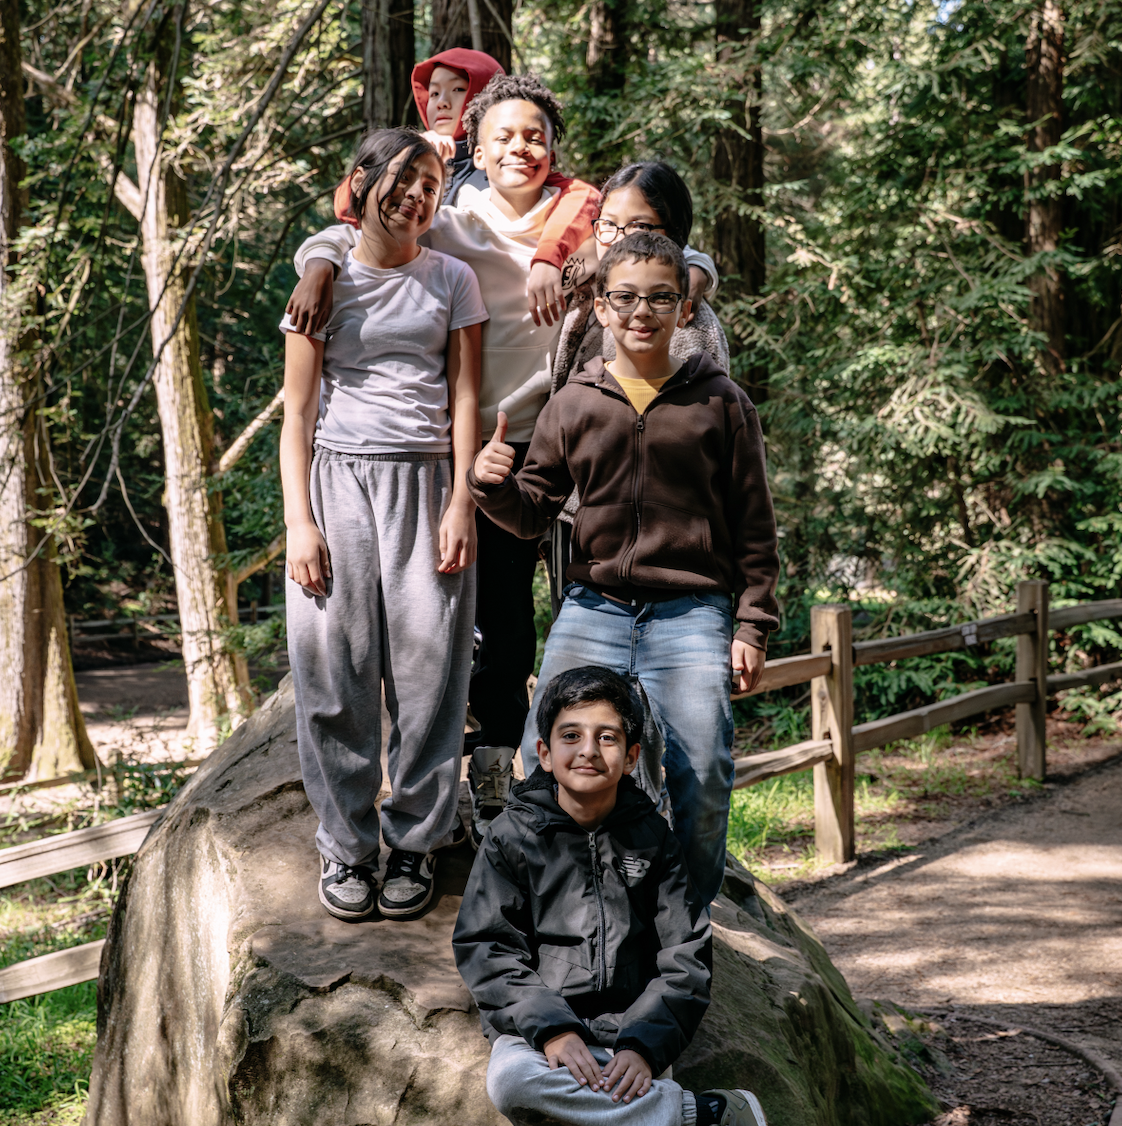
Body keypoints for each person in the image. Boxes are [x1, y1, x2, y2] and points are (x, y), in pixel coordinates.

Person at [287, 73, 604, 851]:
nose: (519, 148)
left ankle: (585, 783)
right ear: (478, 146)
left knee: (576, 613)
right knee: (487, 615)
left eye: (534, 136)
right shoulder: (454, 216)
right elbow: (362, 229)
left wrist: (582, 257)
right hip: (477, 446)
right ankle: (483, 780)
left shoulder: (586, 219)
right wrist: (320, 261)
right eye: (501, 136)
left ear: (553, 148)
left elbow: (671, 247)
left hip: (561, 438)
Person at [467, 232, 780, 906]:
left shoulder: (721, 403)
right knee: (542, 755)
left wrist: (751, 627)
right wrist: (492, 486)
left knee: (704, 767)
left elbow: (756, 526)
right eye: (626, 298)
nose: (643, 311)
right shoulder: (573, 404)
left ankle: (687, 927)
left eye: (660, 298)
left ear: (683, 309)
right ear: (601, 311)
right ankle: (558, 911)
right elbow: (531, 514)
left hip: (693, 613)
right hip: (594, 607)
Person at [280, 127, 487, 922]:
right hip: (337, 482)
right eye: (402, 180)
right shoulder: (321, 284)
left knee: (433, 677)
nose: (415, 195)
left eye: (432, 184)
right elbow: (297, 414)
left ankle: (414, 841)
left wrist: (462, 499)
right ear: (361, 183)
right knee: (336, 671)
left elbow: (465, 396)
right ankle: (347, 847)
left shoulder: (453, 279)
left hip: (429, 481)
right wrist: (301, 521)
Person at [453, 665, 769, 1126]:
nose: (588, 751)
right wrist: (554, 1030)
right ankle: (695, 1113)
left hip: (630, 1038)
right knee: (512, 1083)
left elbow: (685, 957)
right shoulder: (513, 836)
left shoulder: (653, 839)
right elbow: (488, 946)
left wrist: (642, 1047)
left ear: (631, 754)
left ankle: (638, 1105)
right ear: (543, 752)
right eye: (571, 736)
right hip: (540, 1039)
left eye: (607, 737)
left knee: (580, 1101)